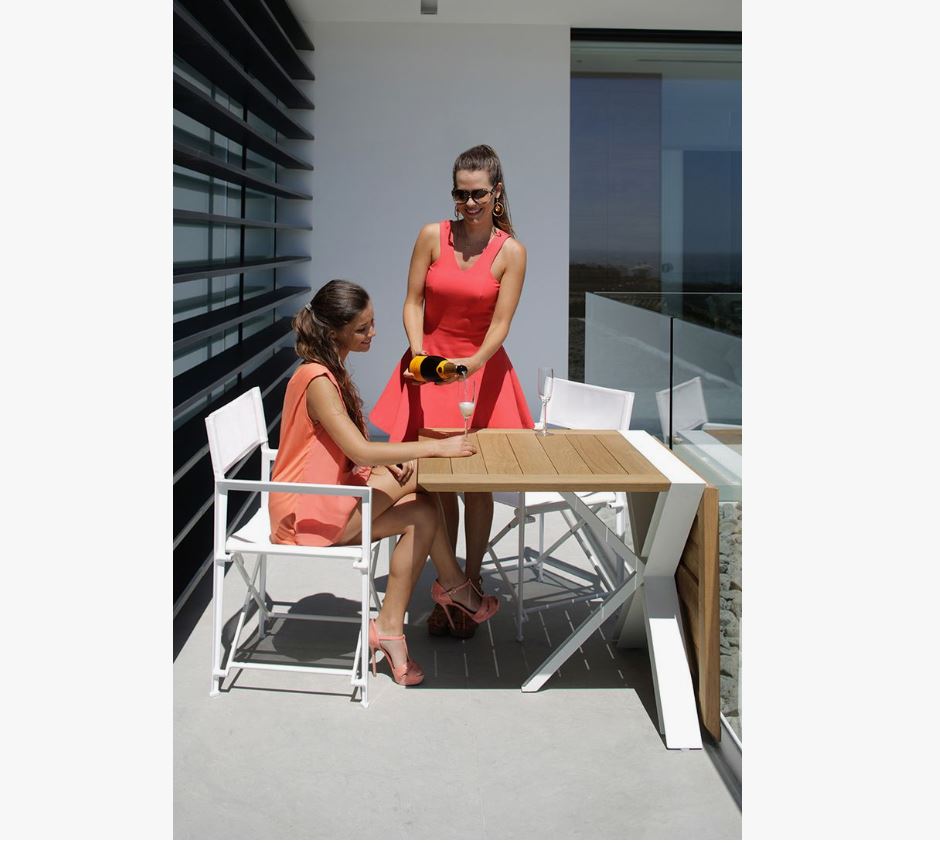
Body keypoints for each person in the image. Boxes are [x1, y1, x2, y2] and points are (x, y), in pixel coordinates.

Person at [269, 279, 500, 687]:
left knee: (423, 510)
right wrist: (434, 449)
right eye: (362, 328)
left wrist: (391, 462)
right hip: (305, 513)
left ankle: (391, 628)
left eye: (372, 323)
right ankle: (454, 587)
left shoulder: (330, 371)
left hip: (330, 496)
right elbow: (361, 451)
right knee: (422, 475)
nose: (373, 333)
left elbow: (348, 453)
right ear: (334, 332)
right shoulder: (317, 380)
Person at [370, 144, 533, 639]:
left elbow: (501, 325)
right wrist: (420, 354)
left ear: (496, 192)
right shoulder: (431, 236)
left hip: (481, 374)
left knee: (477, 487)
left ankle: (472, 581)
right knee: (436, 485)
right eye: (461, 194)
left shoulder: (511, 252)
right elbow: (412, 301)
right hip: (428, 371)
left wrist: (469, 365)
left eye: (478, 193)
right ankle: (452, 584)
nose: (469, 203)